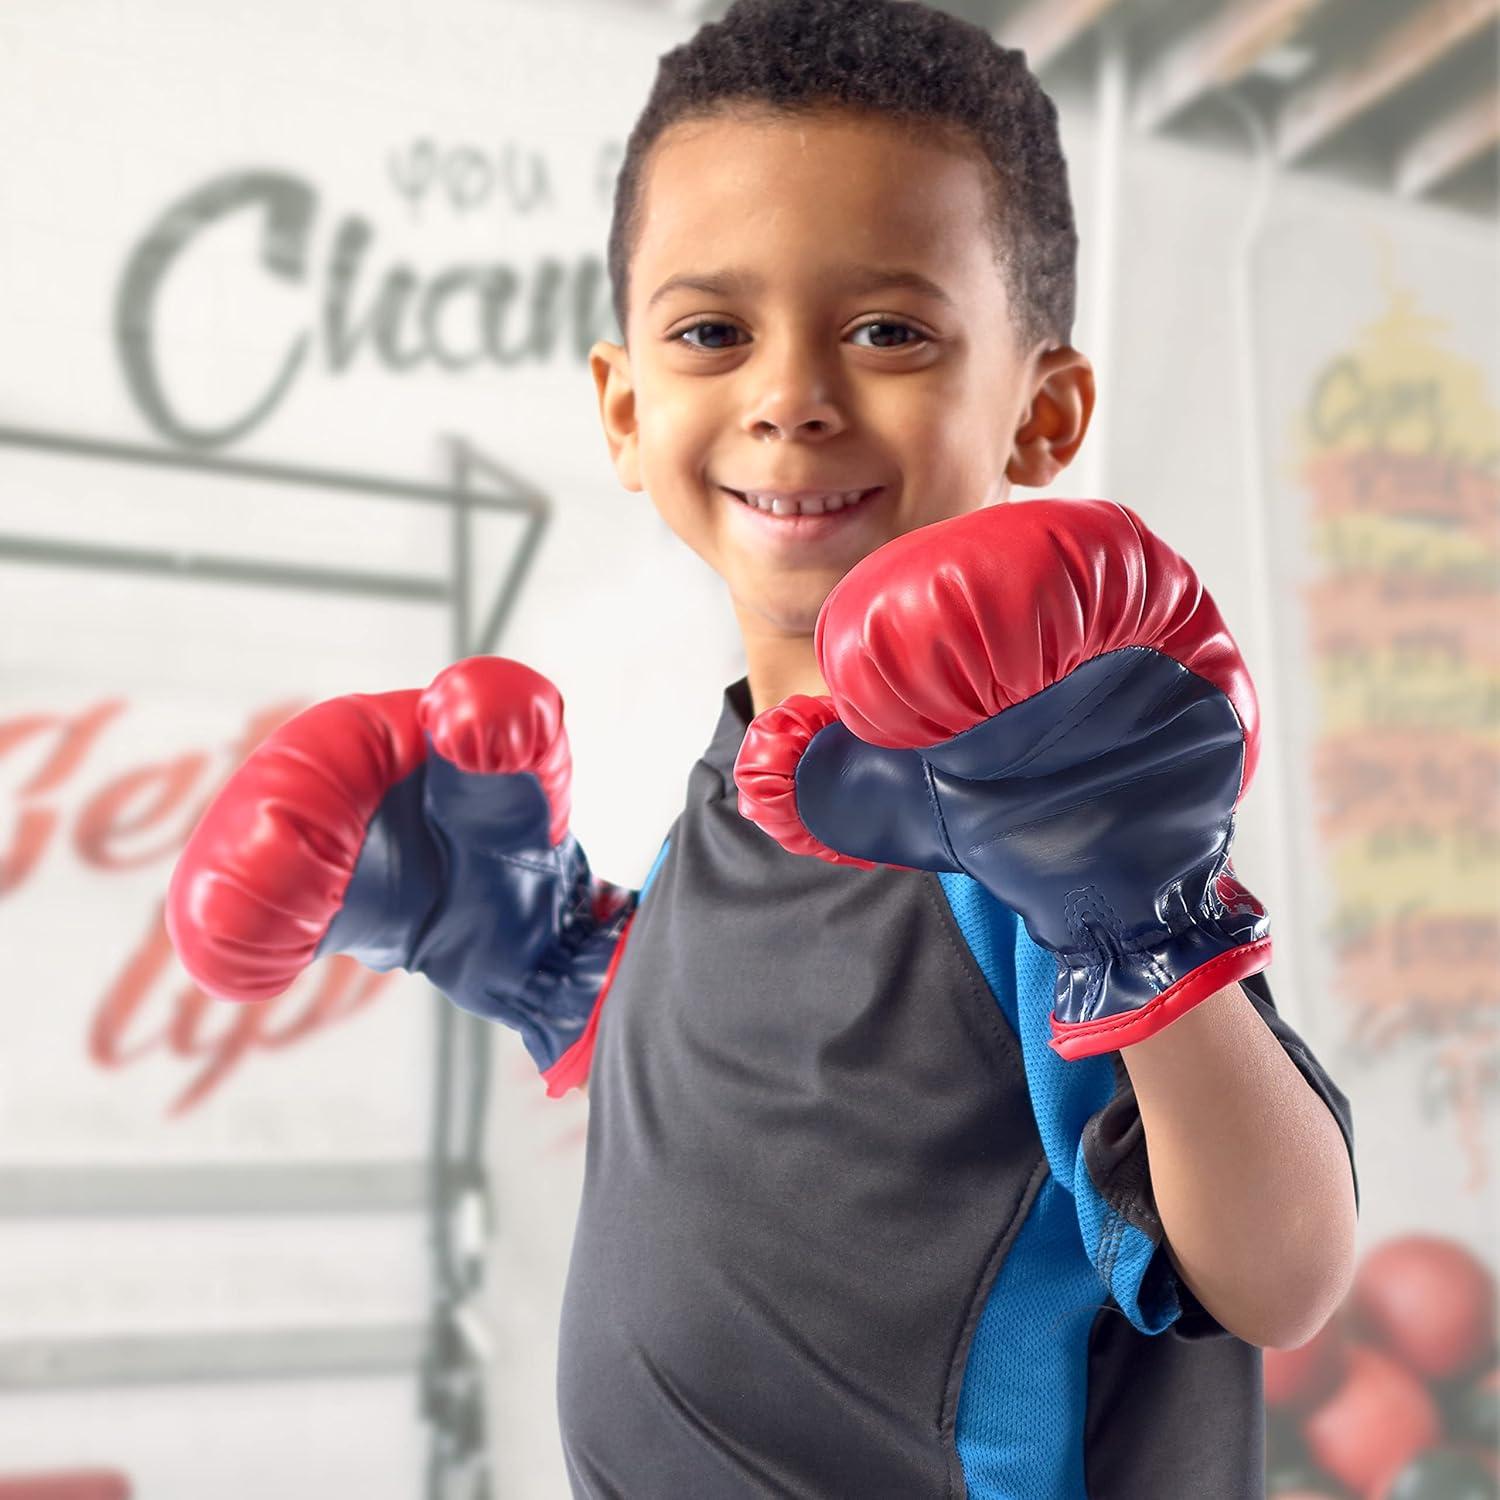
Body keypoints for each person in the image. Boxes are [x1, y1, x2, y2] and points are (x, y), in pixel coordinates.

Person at [167, 1, 1361, 1495]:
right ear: (625, 408)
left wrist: (1144, 921)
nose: (789, 397)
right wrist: (546, 962)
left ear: (1042, 413)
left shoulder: (1029, 824)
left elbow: (1280, 1269)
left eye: (888, 331)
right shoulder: (731, 795)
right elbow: (786, 1103)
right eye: (712, 333)